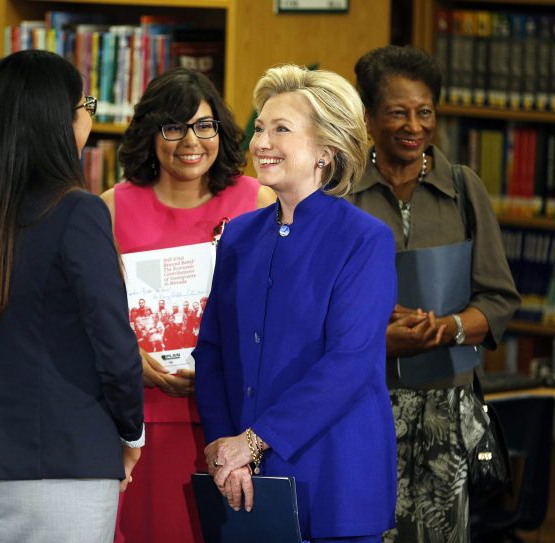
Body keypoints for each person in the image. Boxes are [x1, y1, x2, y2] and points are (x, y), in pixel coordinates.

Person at [0, 49, 144, 543]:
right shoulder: (77, 211)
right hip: (68, 458)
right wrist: (132, 431)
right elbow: (114, 346)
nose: (89, 117)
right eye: (85, 105)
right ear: (60, 119)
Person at [194, 64, 398, 543]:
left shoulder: (365, 239)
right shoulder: (239, 235)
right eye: (259, 128)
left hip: (336, 479)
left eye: (281, 129)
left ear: (326, 151)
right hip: (246, 478)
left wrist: (251, 442)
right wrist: (225, 448)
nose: (261, 142)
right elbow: (212, 352)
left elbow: (350, 362)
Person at [350, 45, 520, 543]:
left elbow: (498, 299)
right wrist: (375, 339)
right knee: (367, 531)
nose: (413, 125)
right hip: (365, 400)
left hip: (448, 409)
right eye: (397, 112)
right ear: (369, 117)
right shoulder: (342, 194)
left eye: (424, 112)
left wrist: (448, 328)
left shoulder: (465, 190)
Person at [101, 66, 274, 542]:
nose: (190, 141)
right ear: (149, 134)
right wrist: (129, 357)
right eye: (173, 127)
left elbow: (272, 310)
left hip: (234, 418)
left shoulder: (258, 201)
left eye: (204, 126)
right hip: (143, 417)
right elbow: (94, 313)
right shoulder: (111, 207)